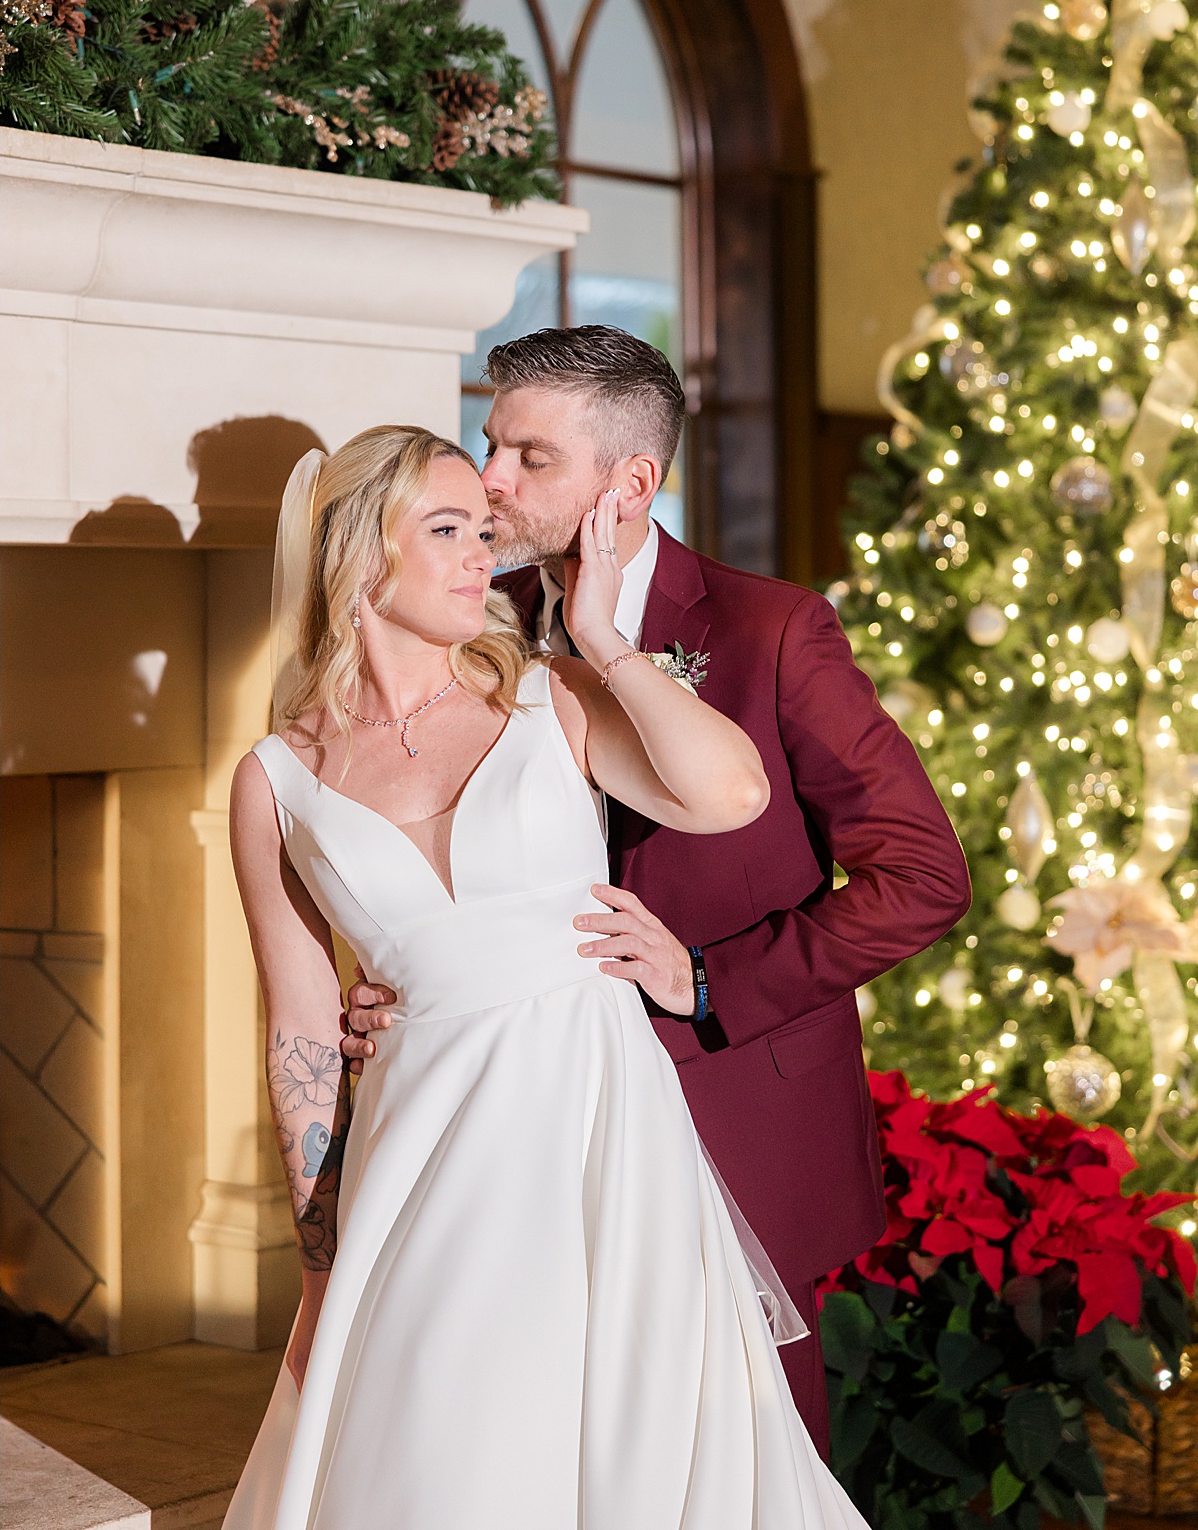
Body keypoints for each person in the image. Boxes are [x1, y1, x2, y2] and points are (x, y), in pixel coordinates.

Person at [338, 326, 970, 1457]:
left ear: (628, 484)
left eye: (530, 456)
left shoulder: (772, 631)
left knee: (746, 1456)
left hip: (723, 1098)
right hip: (521, 1120)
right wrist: (400, 975)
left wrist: (708, 978)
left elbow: (923, 876)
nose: (489, 478)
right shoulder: (473, 623)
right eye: (491, 443)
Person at [224, 421, 868, 1528]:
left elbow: (732, 795)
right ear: (362, 555)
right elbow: (301, 1034)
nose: (482, 554)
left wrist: (603, 636)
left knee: (635, 1456)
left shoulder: (551, 696)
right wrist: (320, 1268)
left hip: (601, 1140)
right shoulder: (276, 778)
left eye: (485, 530)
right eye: (447, 529)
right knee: (447, 1461)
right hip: (423, 1155)